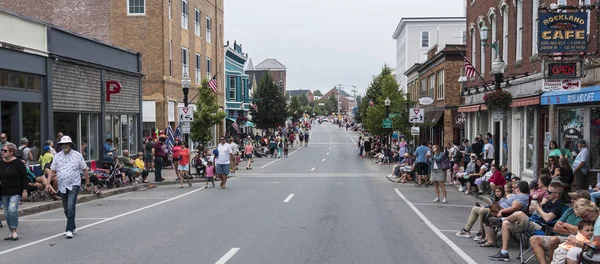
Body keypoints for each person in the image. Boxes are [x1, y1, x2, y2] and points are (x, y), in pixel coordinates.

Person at [487, 182, 564, 261]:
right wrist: (534, 208)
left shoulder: (558, 205)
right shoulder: (549, 203)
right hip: (533, 223)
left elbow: (548, 218)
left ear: (557, 194)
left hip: (541, 228)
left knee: (519, 213)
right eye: (547, 191)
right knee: (506, 224)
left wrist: (537, 207)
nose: (547, 194)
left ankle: (501, 219)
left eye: (549, 192)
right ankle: (504, 253)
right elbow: (539, 212)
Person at [45, 136, 91, 239]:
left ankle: (69, 229)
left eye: (66, 144)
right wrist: (48, 183)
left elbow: (84, 170)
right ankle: (72, 225)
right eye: (63, 144)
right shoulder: (57, 156)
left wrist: (88, 185)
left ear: (70, 145)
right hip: (62, 185)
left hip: (74, 184)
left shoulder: (77, 155)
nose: (64, 146)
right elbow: (52, 170)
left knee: (71, 206)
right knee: (66, 208)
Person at [529, 192, 593, 264]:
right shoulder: (570, 210)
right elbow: (556, 227)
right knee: (534, 239)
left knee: (554, 239)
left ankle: (551, 262)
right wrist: (573, 230)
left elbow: (582, 232)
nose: (571, 201)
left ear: (583, 201)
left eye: (574, 199)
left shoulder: (587, 215)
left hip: (575, 240)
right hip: (562, 236)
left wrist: (566, 225)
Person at [478, 181, 531, 248]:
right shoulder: (517, 195)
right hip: (502, 209)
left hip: (507, 214)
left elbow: (514, 208)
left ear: (519, 188)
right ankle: (487, 238)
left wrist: (502, 211)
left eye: (515, 187)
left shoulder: (522, 197)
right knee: (485, 213)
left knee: (487, 215)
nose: (513, 189)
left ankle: (490, 241)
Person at [0, 142, 28, 240]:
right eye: (2, 150)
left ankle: (14, 230)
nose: (2, 152)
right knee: (7, 213)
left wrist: (24, 190)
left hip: (15, 191)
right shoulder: (1, 163)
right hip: (4, 191)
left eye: (5, 151)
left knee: (12, 210)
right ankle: (11, 231)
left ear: (11, 152)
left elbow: (24, 177)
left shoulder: (18, 163)